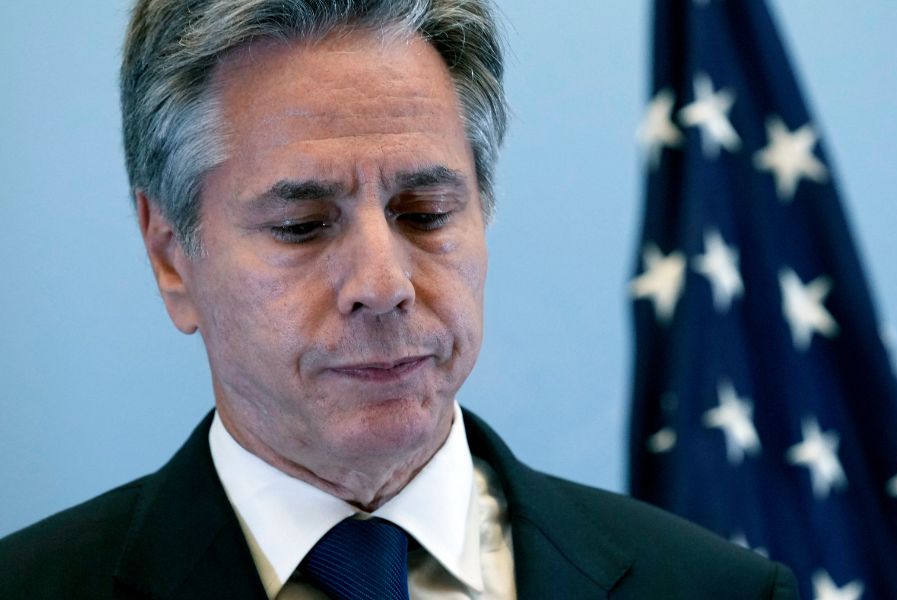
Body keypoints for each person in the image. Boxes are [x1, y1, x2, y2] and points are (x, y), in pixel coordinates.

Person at [0, 1, 798, 598]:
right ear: (171, 255)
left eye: (425, 213)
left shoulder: (719, 591)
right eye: (302, 225)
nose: (383, 285)